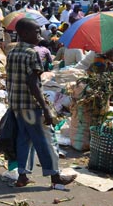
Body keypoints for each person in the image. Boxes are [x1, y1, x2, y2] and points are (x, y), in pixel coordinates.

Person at [6, 18, 75, 188]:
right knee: (46, 139)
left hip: (17, 105)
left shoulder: (12, 53)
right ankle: (55, 176)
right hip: (31, 106)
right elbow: (33, 83)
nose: (39, 35)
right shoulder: (32, 53)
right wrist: (45, 108)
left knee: (24, 139)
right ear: (24, 33)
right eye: (36, 32)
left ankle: (22, 176)